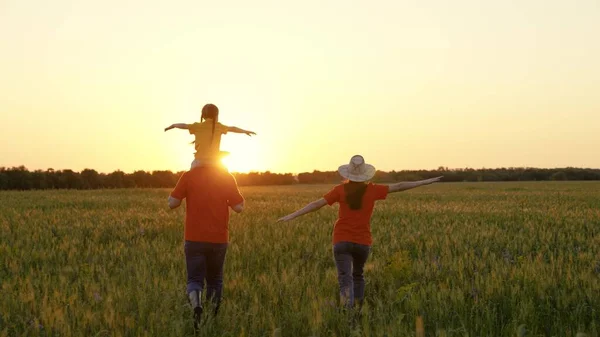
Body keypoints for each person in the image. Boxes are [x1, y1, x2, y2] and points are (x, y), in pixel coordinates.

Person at [278, 155, 442, 309]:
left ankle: (347, 313)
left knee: (345, 279)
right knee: (358, 276)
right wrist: (426, 181)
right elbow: (399, 186)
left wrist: (292, 215)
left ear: (348, 172)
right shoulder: (372, 190)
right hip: (363, 242)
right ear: (365, 174)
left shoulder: (340, 190)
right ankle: (358, 310)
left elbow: (316, 204)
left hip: (341, 240)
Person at [168, 164, 245, 330]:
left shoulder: (188, 176)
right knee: (215, 280)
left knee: (194, 279)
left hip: (194, 239)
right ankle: (213, 317)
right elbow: (239, 208)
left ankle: (197, 305)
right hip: (218, 239)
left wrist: (174, 197)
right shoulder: (226, 176)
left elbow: (173, 203)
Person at [164, 103, 256, 169]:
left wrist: (173, 125)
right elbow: (233, 128)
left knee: (190, 177)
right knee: (226, 176)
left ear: (203, 116)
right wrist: (245, 131)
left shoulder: (197, 126)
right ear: (216, 115)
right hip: (214, 162)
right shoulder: (219, 126)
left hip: (199, 161)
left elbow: (183, 125)